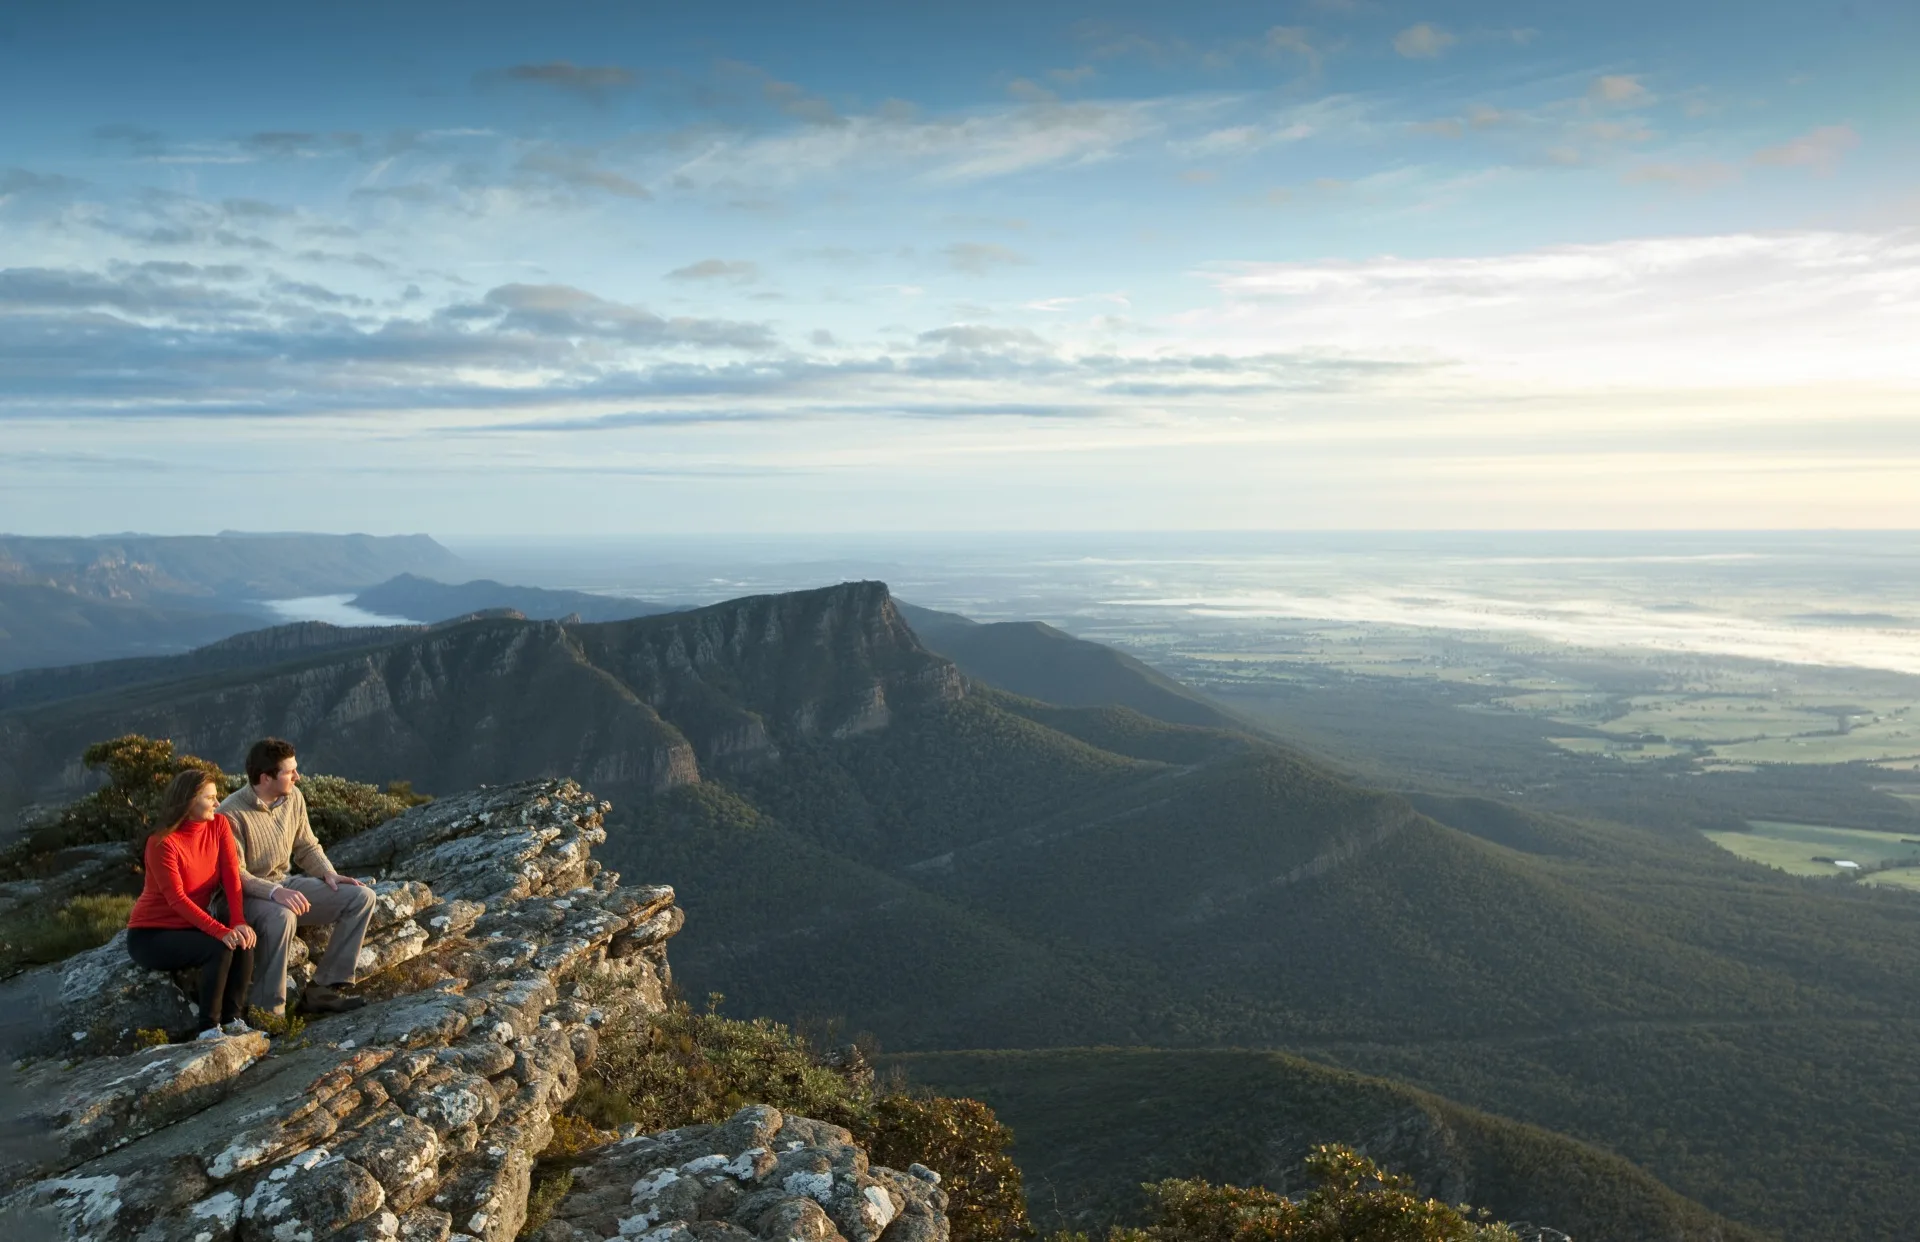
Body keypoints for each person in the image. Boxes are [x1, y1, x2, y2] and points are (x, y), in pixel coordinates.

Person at [216, 738, 374, 1015]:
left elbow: (307, 845)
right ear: (265, 778)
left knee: (361, 897)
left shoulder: (293, 797)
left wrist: (329, 874)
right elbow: (235, 875)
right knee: (282, 915)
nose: (297, 777)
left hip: (282, 884)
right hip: (241, 896)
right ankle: (268, 1013)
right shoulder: (230, 814)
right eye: (290, 772)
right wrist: (276, 893)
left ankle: (322, 991)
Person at [126, 768, 258, 1038]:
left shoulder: (219, 825)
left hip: (190, 926)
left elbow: (232, 878)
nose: (218, 803)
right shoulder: (162, 843)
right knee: (220, 948)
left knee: (242, 940)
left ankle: (234, 1021)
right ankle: (208, 1030)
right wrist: (221, 931)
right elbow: (177, 899)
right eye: (210, 798)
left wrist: (237, 921)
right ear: (189, 801)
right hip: (152, 933)